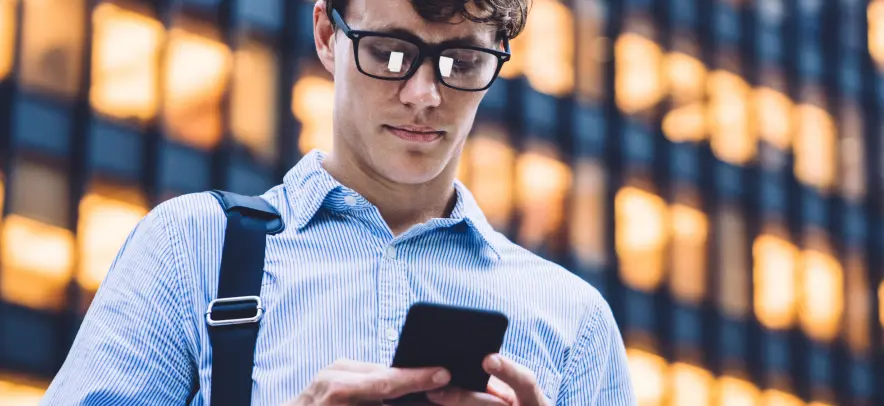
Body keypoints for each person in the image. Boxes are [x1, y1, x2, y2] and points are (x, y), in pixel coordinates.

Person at [41, 0, 636, 404]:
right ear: (328, 35)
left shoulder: (575, 320)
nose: (423, 94)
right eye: (389, 52)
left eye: (462, 61)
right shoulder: (192, 247)